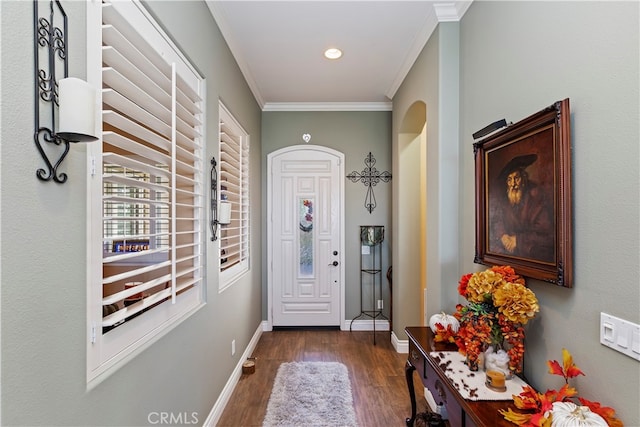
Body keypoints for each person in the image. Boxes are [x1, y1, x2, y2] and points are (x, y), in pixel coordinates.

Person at [489, 154, 554, 262]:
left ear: (523, 179)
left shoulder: (536, 198)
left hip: (532, 255)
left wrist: (518, 240)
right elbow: (497, 221)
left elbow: (547, 234)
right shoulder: (506, 200)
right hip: (510, 255)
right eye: (509, 180)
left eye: (516, 178)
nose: (513, 184)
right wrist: (503, 235)